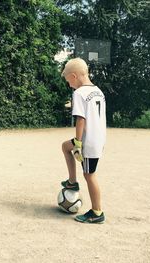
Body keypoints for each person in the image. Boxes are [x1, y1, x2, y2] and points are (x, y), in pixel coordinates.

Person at [61, 58, 106, 224]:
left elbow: (81, 120)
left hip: (87, 141)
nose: (69, 85)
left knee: (89, 175)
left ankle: (97, 212)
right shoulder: (98, 91)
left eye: (68, 82)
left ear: (74, 76)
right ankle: (72, 182)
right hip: (98, 139)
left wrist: (78, 144)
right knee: (65, 147)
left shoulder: (79, 93)